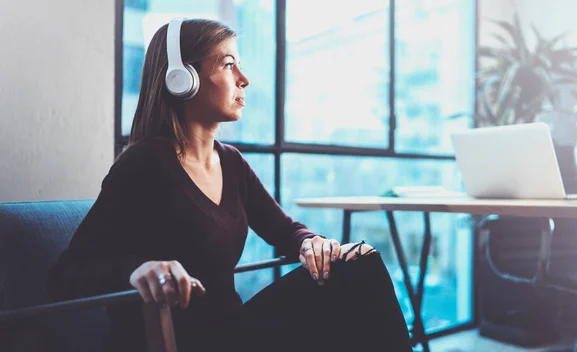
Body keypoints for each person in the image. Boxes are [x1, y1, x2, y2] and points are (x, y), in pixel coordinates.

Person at [47, 18, 414, 352]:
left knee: (358, 262)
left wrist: (309, 242)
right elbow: (66, 275)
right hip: (187, 342)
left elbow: (286, 230)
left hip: (234, 331)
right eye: (227, 64)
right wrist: (138, 268)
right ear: (182, 78)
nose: (244, 78)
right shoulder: (145, 164)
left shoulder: (232, 163)